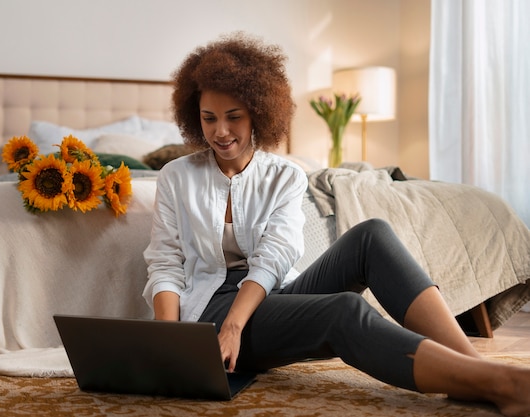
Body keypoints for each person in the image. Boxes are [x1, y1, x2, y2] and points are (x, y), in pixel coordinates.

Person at [142, 33, 530, 417]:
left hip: (265, 296)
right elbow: (165, 263)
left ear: (258, 113)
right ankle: (497, 384)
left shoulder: (286, 176)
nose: (220, 132)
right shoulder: (176, 176)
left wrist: (237, 325)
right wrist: (174, 343)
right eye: (209, 118)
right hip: (208, 312)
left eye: (233, 117)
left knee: (371, 235)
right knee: (343, 311)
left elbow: (273, 258)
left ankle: (474, 369)